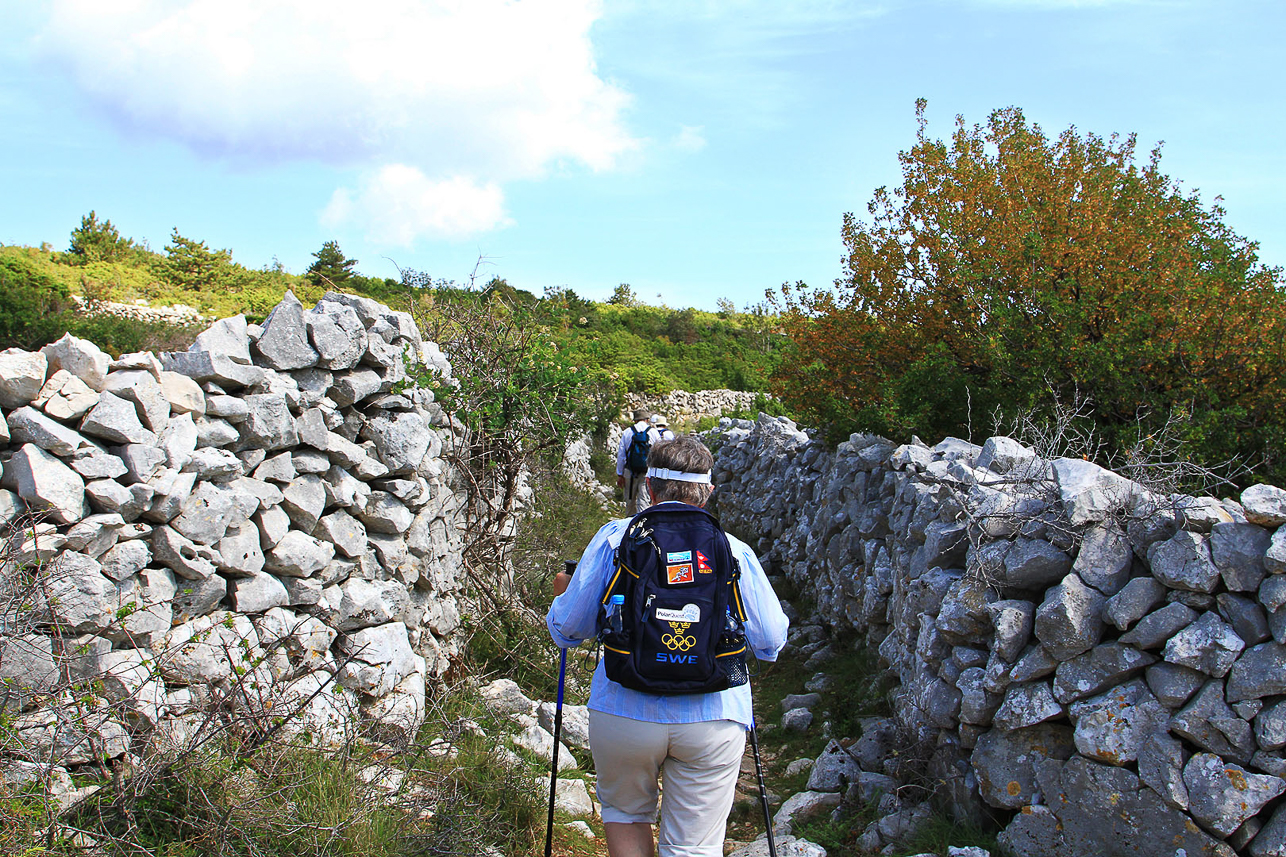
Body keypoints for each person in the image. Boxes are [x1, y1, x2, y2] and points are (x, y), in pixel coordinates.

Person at [549, 435, 789, 857]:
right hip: (715, 713)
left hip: (624, 707)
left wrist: (560, 597)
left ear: (649, 488)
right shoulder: (733, 550)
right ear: (707, 492)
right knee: (694, 847)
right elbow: (769, 641)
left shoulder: (613, 539)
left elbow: (569, 630)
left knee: (625, 814)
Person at [616, 408, 654, 514]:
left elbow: (621, 455)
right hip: (647, 472)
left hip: (630, 471)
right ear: (647, 419)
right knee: (644, 501)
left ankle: (630, 526)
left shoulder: (627, 432)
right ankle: (643, 527)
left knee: (630, 501)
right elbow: (658, 455)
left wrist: (620, 474)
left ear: (635, 420)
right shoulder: (653, 432)